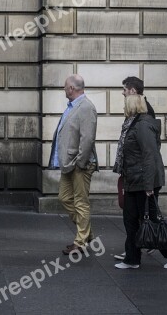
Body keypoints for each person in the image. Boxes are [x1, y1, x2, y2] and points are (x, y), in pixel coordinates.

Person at [114, 94, 167, 270]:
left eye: (125, 104)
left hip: (144, 181)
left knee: (152, 219)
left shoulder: (142, 126)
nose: (123, 108)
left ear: (132, 106)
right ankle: (132, 259)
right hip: (133, 179)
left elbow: (150, 156)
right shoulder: (133, 124)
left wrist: (149, 186)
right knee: (130, 219)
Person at [48, 74, 99, 255]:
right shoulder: (72, 106)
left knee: (80, 203)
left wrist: (80, 162)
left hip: (80, 164)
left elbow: (88, 139)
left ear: (72, 88)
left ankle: (80, 242)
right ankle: (87, 234)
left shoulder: (86, 107)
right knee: (64, 198)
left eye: (65, 86)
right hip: (68, 163)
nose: (64, 89)